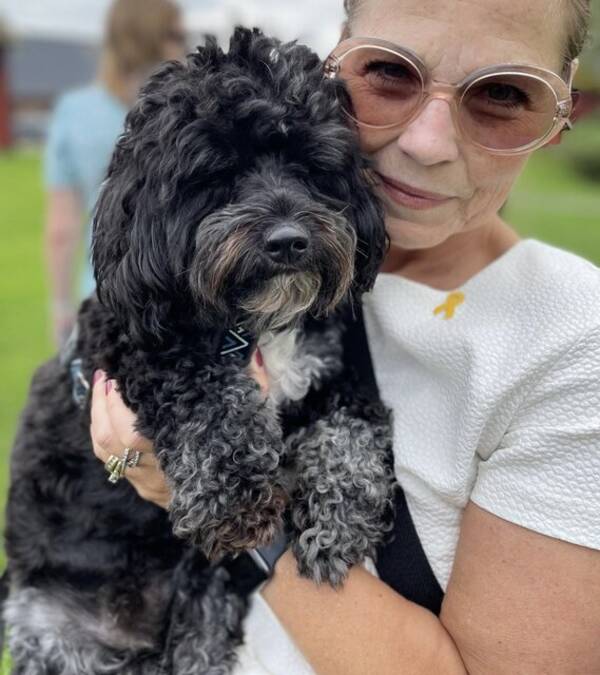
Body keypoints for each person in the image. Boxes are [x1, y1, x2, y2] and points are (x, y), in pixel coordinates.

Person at [89, 0, 600, 672]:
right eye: (390, 71)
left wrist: (226, 512)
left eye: (503, 95)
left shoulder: (572, 342)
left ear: (561, 113)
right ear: (337, 60)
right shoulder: (202, 266)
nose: (428, 142)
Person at [44, 0, 186, 347]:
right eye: (176, 35)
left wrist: (61, 306)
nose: (185, 44)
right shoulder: (187, 111)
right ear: (150, 38)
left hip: (99, 296)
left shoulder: (73, 111)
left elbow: (62, 229)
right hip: (180, 295)